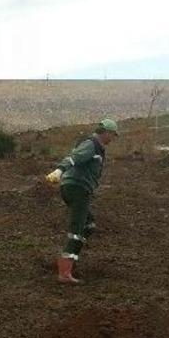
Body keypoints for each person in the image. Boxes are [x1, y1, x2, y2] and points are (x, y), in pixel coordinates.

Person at [45, 118, 118, 284]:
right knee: (77, 229)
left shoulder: (97, 147)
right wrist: (59, 170)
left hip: (78, 189)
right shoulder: (91, 144)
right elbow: (74, 158)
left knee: (88, 225)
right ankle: (64, 272)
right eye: (112, 135)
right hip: (77, 188)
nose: (112, 139)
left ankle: (70, 259)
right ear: (106, 132)